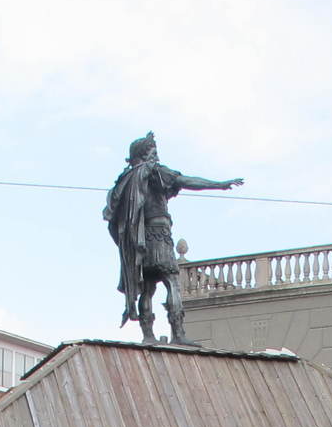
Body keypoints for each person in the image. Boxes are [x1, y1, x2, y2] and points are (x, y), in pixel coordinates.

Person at [102, 132, 242, 346]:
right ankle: (178, 333)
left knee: (147, 287)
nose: (156, 157)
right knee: (172, 282)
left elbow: (113, 217)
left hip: (138, 242)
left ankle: (148, 335)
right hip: (159, 235)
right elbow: (185, 181)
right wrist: (219, 184)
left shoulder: (123, 183)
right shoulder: (153, 171)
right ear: (146, 154)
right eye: (154, 153)